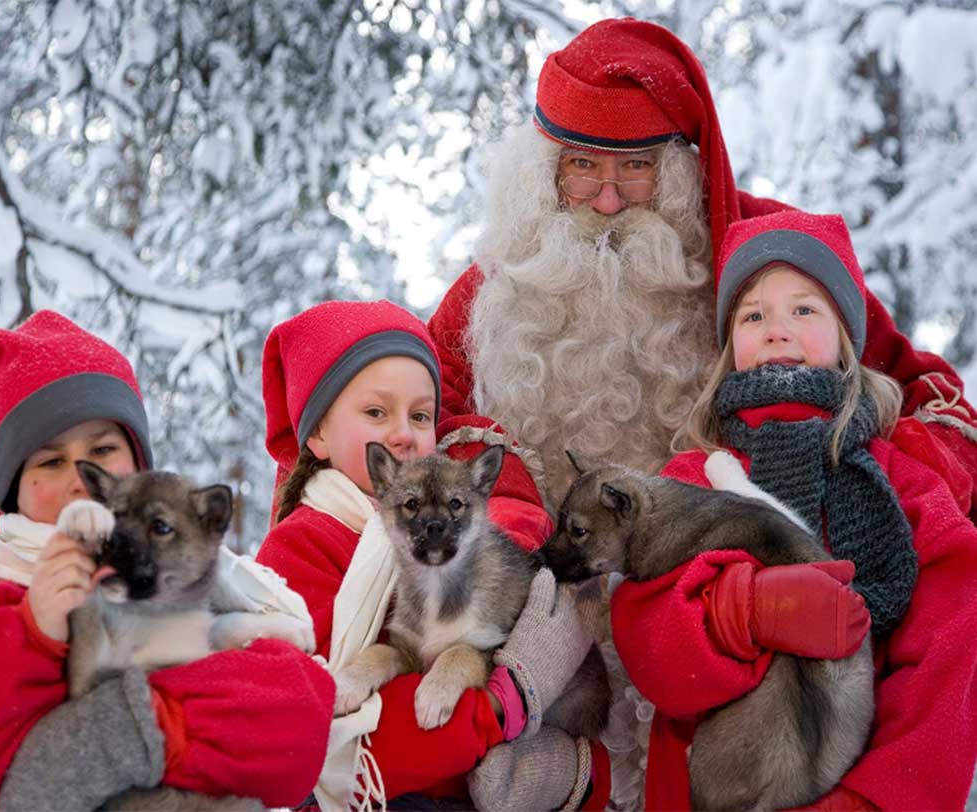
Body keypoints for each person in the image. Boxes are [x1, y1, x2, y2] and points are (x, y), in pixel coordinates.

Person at [427, 16, 977, 805]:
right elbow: (382, 419)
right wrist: (508, 492)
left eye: (638, 168)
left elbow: (921, 389)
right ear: (539, 171)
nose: (608, 199)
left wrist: (873, 479)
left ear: (680, 170)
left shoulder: (757, 254)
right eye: (581, 167)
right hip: (557, 658)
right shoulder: (495, 289)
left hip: (725, 693)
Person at [610, 210, 977, 809]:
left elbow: (949, 654)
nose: (777, 329)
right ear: (731, 348)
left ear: (846, 341)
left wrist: (872, 800)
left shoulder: (905, 484)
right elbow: (648, 639)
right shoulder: (694, 480)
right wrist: (739, 614)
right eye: (753, 316)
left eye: (804, 310)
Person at [0, 310, 335, 811]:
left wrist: (141, 725)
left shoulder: (194, 570)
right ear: (12, 489)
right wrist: (31, 628)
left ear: (136, 465)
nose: (80, 479)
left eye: (102, 449)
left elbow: (297, 730)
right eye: (49, 461)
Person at [255, 299, 609, 812]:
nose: (403, 434)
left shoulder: (433, 536)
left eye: (420, 415)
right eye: (376, 412)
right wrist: (490, 710)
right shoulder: (301, 547)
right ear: (317, 435)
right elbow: (316, 726)